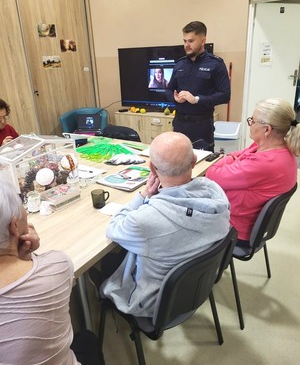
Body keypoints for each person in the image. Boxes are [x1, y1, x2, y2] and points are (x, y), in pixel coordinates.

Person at [92, 131, 230, 318]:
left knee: (103, 262)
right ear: (194, 161)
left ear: (152, 168)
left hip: (153, 303)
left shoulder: (144, 220)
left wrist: (143, 195)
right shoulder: (216, 193)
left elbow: (113, 228)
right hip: (196, 289)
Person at [0, 176, 103, 365]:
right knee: (87, 338)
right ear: (15, 227)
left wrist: (20, 256)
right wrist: (28, 256)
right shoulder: (57, 266)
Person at [206, 98, 300, 246]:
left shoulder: (263, 163)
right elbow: (237, 153)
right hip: (245, 219)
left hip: (234, 229)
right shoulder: (274, 147)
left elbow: (212, 173)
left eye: (253, 121)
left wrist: (229, 159)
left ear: (267, 129)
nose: (250, 124)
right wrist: (233, 158)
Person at [166, 21, 230, 151]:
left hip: (202, 125)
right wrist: (175, 98)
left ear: (203, 40)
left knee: (202, 166)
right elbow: (168, 89)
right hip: (179, 123)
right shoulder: (180, 64)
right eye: (184, 41)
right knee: (177, 162)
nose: (186, 45)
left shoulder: (216, 64)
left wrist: (197, 99)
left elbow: (225, 95)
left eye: (191, 41)